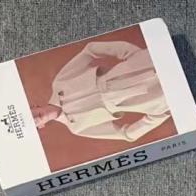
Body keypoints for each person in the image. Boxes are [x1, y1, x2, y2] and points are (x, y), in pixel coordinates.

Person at [28, 40, 171, 142]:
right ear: (41, 127)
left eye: (28, 115)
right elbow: (126, 134)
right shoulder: (77, 128)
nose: (34, 119)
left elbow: (90, 50)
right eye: (33, 124)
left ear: (33, 106)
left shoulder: (60, 83)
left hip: (138, 67)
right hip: (151, 99)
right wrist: (159, 114)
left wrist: (133, 54)